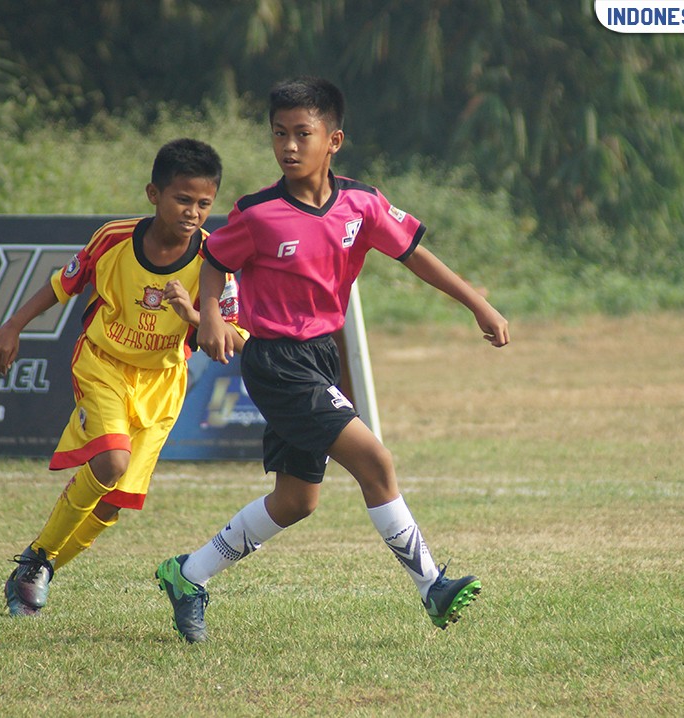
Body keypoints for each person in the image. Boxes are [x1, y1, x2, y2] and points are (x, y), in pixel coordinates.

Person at [155, 76, 510, 643]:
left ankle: (188, 574)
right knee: (376, 462)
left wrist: (478, 304)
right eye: (279, 134)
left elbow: (416, 256)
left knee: (296, 501)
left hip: (321, 355)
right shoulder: (259, 212)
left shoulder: (361, 204)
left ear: (334, 140)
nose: (289, 146)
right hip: (275, 361)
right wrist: (212, 315)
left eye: (303, 134)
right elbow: (215, 259)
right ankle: (433, 587)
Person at [0, 138, 246, 617]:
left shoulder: (217, 259)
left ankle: (41, 567)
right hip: (103, 364)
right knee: (110, 464)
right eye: (182, 199)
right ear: (154, 194)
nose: (192, 212)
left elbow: (234, 339)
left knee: (111, 506)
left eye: (204, 204)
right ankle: (38, 559)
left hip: (163, 384)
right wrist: (12, 326)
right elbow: (62, 283)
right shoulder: (113, 238)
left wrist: (194, 315)